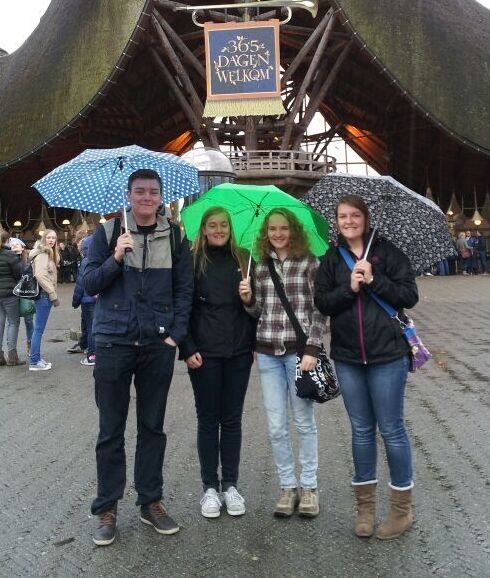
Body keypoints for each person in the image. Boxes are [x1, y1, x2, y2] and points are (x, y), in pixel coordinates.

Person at [84, 168, 193, 546]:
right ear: (129, 195)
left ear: (161, 197)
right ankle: (107, 507)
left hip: (155, 344)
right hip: (113, 340)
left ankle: (151, 501)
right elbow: (88, 284)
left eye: (152, 192)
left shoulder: (176, 237)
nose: (146, 197)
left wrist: (175, 336)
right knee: (110, 430)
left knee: (152, 427)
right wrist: (115, 258)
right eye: (139, 192)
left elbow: (185, 291)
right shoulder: (107, 233)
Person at [314, 195, 418, 540]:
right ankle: (365, 509)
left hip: (387, 355)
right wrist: (351, 287)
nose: (348, 221)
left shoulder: (388, 253)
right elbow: (323, 302)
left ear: (366, 218)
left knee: (391, 429)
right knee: (360, 430)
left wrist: (375, 280)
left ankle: (401, 510)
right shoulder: (330, 259)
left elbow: (409, 295)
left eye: (354, 215)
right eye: (342, 216)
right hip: (347, 356)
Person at [238, 208, 326, 518]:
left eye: (283, 228)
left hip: (299, 352)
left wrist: (313, 348)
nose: (278, 233)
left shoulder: (310, 262)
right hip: (267, 352)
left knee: (303, 422)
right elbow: (257, 311)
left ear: (293, 230)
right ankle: (288, 486)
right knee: (276, 426)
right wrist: (248, 299)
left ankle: (309, 487)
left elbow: (320, 310)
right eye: (272, 229)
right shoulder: (260, 266)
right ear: (266, 232)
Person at [180, 207, 255, 519]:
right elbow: (182, 304)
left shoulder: (245, 259)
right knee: (208, 419)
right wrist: (187, 347)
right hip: (204, 352)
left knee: (233, 419)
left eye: (224, 225)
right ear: (204, 228)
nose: (219, 230)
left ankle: (231, 486)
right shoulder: (193, 259)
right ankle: (210, 487)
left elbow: (256, 311)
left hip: (238, 350)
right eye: (213, 225)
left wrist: (249, 298)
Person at [29, 230, 60, 371]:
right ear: (43, 239)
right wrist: (52, 293)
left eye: (53, 237)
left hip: (43, 295)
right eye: (48, 237)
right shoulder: (43, 254)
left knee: (38, 329)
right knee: (38, 330)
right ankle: (34, 362)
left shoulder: (48, 254)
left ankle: (36, 358)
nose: (51, 240)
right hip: (44, 295)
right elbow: (40, 275)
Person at [72, 235, 96, 366]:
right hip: (98, 299)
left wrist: (75, 301)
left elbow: (80, 283)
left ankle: (92, 355)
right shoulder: (102, 258)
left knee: (91, 326)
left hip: (88, 300)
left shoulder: (86, 261)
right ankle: (86, 346)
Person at [0, 231, 24, 366]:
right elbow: (18, 273)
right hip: (10, 294)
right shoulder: (10, 255)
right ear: (8, 240)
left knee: (0, 323)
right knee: (13, 323)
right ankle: (12, 356)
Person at [9, 238, 34, 356]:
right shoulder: (8, 260)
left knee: (29, 320)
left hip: (25, 294)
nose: (15, 246)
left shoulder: (27, 262)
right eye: (12, 245)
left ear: (23, 247)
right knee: (13, 323)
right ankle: (12, 350)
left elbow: (30, 277)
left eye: (17, 245)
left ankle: (31, 343)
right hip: (11, 295)